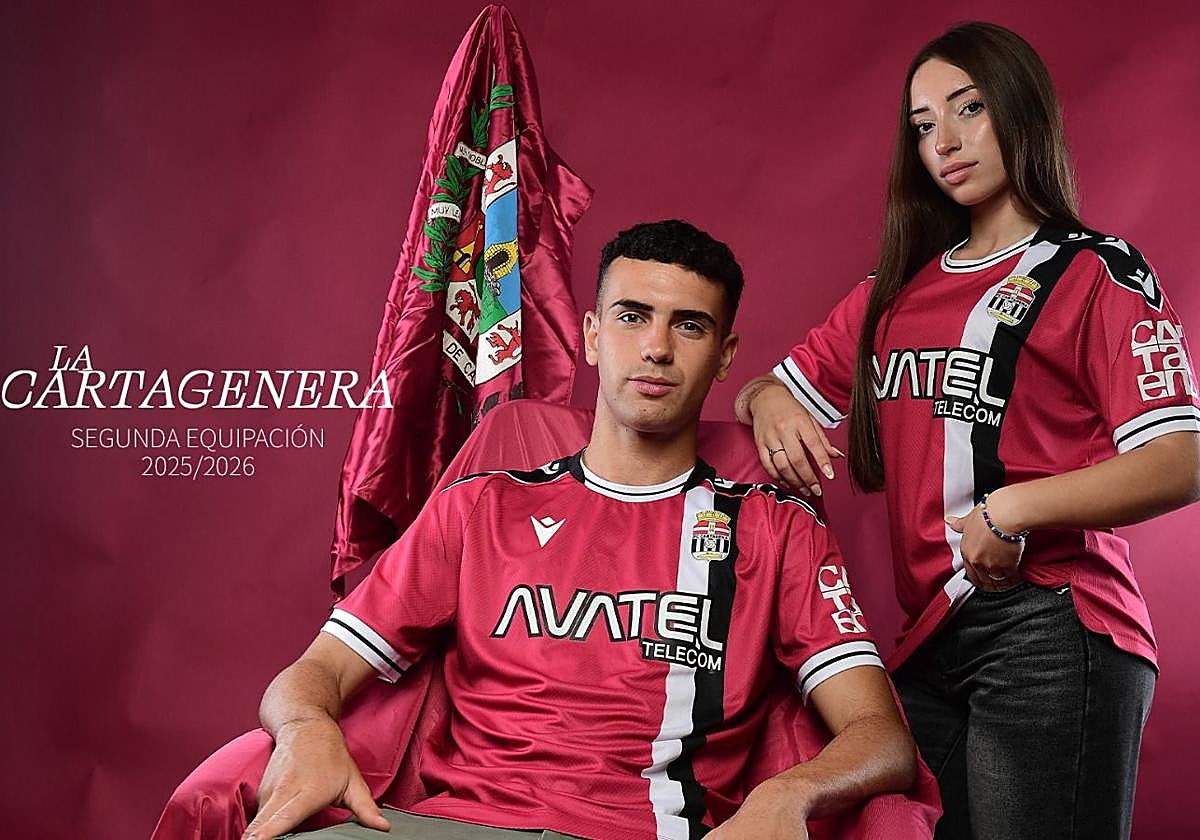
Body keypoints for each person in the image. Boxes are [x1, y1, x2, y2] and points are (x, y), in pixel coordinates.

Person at [243, 220, 918, 840]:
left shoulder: (776, 529)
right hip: (456, 826)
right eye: (633, 317)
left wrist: (785, 796)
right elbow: (316, 672)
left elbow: (881, 737)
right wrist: (305, 729)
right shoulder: (478, 508)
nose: (655, 348)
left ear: (723, 353)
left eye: (688, 326)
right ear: (593, 335)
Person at [735, 21, 1200, 840]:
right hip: (929, 639)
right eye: (922, 126)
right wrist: (769, 400)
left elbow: (1180, 460)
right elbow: (772, 388)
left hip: (1051, 624)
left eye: (968, 109)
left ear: (1019, 112)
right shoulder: (896, 290)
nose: (943, 141)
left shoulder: (1094, 269)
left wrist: (1010, 511)